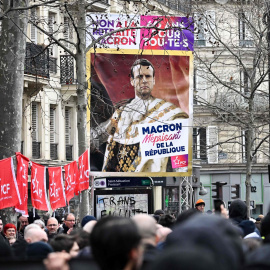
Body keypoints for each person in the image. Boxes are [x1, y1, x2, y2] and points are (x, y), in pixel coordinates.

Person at [94, 58, 188, 173]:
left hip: (151, 179)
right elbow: (98, 137)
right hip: (118, 180)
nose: (144, 81)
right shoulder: (121, 112)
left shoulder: (169, 112)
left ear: (154, 80)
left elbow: (180, 156)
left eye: (148, 77)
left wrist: (181, 177)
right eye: (139, 77)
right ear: (132, 81)